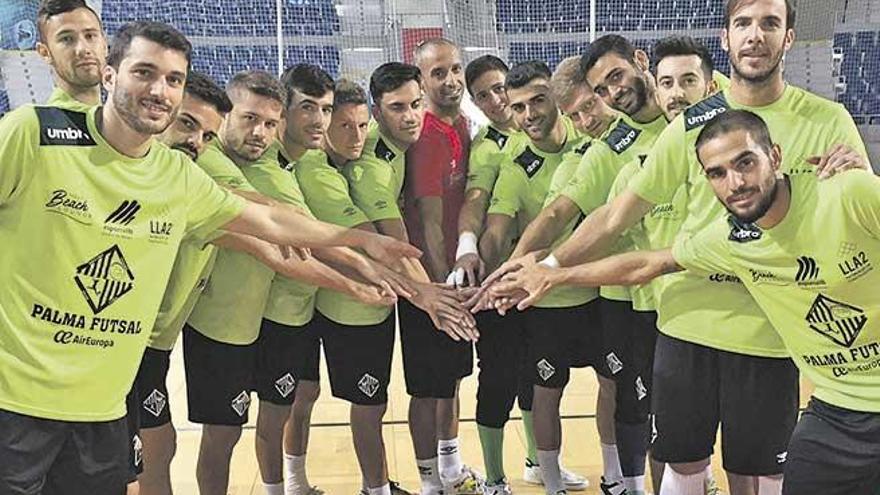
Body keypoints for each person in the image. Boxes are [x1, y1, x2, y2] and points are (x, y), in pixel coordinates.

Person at [0, 21, 418, 495]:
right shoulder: (33, 133)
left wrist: (362, 242)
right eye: (144, 72)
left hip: (102, 407)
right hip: (15, 404)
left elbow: (270, 224)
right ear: (110, 75)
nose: (160, 90)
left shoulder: (177, 174)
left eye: (173, 80)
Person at [483, 1, 870, 493]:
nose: (756, 36)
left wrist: (852, 180)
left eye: (770, 23)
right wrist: (550, 264)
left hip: (773, 332)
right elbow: (619, 213)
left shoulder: (828, 120)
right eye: (743, 25)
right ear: (726, 39)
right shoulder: (692, 124)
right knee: (680, 468)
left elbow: (854, 223)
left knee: (760, 475)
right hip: (687, 324)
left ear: (789, 38)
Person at [401, 38, 482, 495]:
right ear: (422, 80)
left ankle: (451, 470)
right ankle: (430, 480)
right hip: (431, 283)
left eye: (455, 69)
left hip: (457, 279)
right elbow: (429, 223)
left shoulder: (465, 125)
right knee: (426, 389)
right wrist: (437, 290)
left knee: (451, 378)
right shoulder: (426, 133)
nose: (450, 80)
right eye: (438, 73)